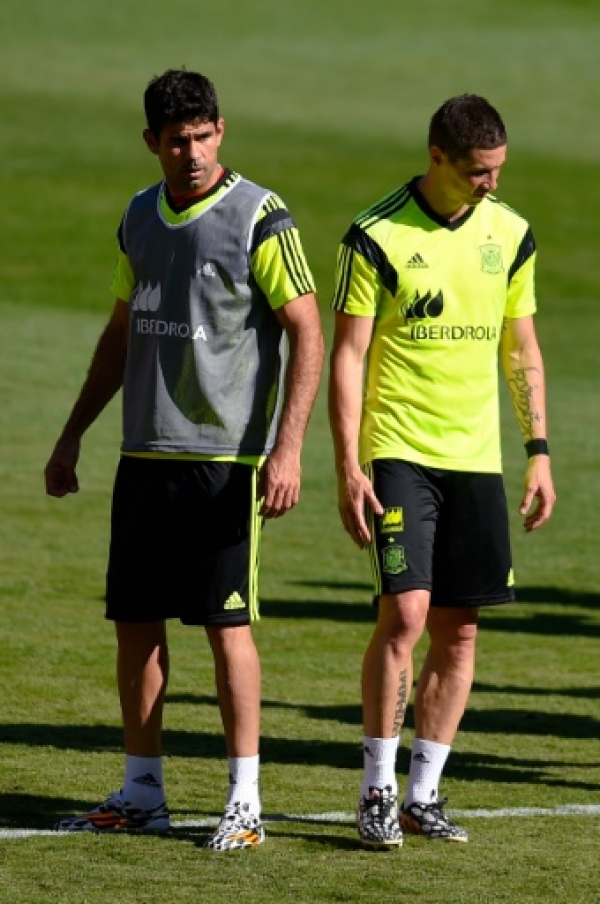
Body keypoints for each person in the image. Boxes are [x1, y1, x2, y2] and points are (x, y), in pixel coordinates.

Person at [44, 68, 324, 851]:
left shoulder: (261, 218)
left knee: (224, 624)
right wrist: (73, 433)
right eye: (177, 140)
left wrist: (287, 446)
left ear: (221, 131)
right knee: (136, 624)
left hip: (225, 463)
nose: (193, 153)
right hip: (143, 452)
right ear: (152, 143)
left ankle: (245, 803)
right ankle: (142, 793)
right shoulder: (139, 215)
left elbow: (307, 329)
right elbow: (121, 330)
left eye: (204, 136)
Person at [328, 94, 555, 850]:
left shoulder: (511, 234)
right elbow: (349, 357)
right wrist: (349, 465)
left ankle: (425, 791)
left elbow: (520, 350)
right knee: (407, 616)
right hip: (399, 453)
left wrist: (539, 452)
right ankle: (377, 790)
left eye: (498, 170)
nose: (492, 183)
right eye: (478, 172)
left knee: (460, 633)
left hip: (475, 459)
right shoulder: (375, 234)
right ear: (438, 159)